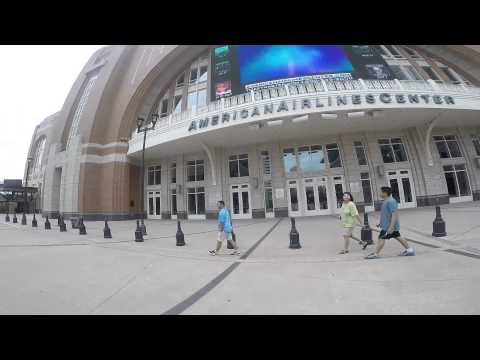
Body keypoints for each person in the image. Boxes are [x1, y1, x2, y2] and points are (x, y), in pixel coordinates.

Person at [365, 186, 415, 259]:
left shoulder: (391, 201)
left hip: (389, 226)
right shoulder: (386, 201)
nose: (379, 193)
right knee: (398, 236)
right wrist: (380, 223)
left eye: (380, 192)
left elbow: (394, 214)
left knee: (381, 238)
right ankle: (410, 250)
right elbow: (386, 214)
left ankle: (376, 253)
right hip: (387, 225)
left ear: (385, 193)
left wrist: (391, 227)